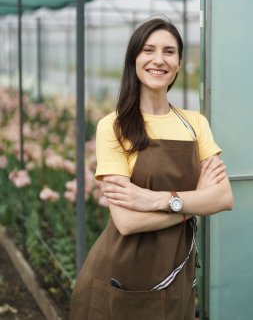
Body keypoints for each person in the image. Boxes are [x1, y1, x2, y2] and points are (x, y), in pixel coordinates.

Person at [69, 17, 233, 320]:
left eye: (169, 52)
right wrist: (194, 203)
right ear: (134, 58)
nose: (159, 59)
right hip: (123, 269)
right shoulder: (114, 126)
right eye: (149, 50)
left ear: (180, 63)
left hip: (177, 270)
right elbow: (127, 221)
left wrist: (154, 200)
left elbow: (223, 198)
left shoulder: (195, 124)